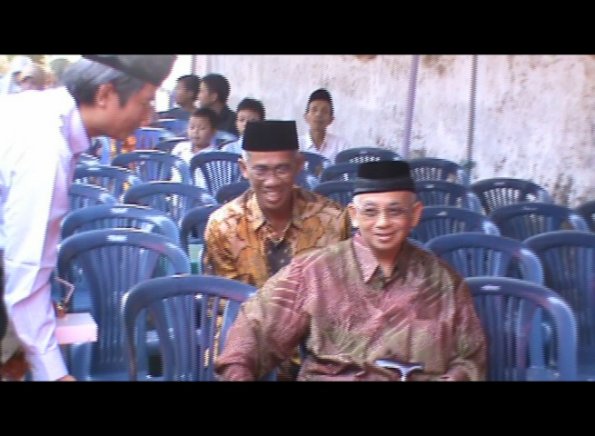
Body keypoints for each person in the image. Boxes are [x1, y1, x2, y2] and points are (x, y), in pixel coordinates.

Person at [215, 160, 487, 381]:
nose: (383, 223)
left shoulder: (443, 280)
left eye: (395, 212)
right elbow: (251, 336)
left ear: (414, 215)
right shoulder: (313, 273)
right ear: (354, 215)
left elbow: (470, 356)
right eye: (370, 212)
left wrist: (457, 375)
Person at [0, 54, 176, 381]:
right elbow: (26, 268)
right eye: (145, 102)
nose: (149, 116)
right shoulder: (44, 146)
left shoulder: (47, 114)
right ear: (105, 93)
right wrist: (54, 373)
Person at [299, 88, 350, 162]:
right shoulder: (296, 146)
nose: (318, 114)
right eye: (314, 110)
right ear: (306, 117)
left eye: (324, 111)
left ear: (331, 119)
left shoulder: (341, 146)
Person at [197, 73, 239, 142]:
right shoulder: (198, 118)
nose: (198, 96)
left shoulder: (234, 123)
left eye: (201, 91)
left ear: (214, 97)